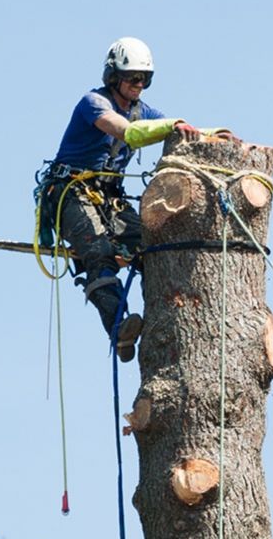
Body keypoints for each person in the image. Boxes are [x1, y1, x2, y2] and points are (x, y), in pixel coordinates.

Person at [37, 36, 200, 362]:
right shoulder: (93, 103)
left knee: (152, 247)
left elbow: (174, 129)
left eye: (145, 79)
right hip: (70, 193)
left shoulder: (142, 110)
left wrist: (210, 133)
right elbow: (129, 133)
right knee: (99, 253)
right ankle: (119, 328)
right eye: (133, 78)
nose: (139, 84)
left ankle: (161, 323)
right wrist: (173, 125)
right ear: (114, 77)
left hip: (109, 199)